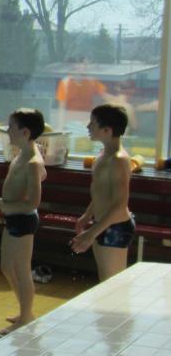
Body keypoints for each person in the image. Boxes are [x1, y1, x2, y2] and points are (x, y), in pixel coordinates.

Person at [70, 104, 135, 280]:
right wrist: (87, 215)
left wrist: (92, 233)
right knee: (105, 283)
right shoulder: (104, 154)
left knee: (112, 285)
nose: (88, 127)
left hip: (115, 227)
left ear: (107, 130)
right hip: (103, 223)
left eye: (92, 123)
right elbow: (102, 192)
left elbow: (120, 205)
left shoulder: (118, 160)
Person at [0, 108, 46, 334]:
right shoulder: (22, 155)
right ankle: (25, 311)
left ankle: (26, 318)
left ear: (25, 132)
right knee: (7, 267)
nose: (7, 131)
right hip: (13, 218)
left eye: (11, 127)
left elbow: (34, 202)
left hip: (23, 220)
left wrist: (8, 207)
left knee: (22, 270)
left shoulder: (33, 161)